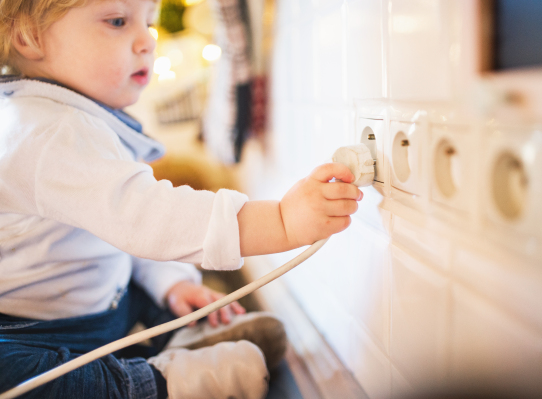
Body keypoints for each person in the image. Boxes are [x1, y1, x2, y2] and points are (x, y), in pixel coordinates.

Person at [0, 0, 363, 398]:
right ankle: (163, 380)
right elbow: (148, 219)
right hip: (34, 335)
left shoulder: (76, 119)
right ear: (28, 37)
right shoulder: (41, 130)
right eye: (118, 21)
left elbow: (118, 231)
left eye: (150, 23)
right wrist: (279, 221)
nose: (146, 41)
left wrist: (170, 283)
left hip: (103, 309)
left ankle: (178, 336)